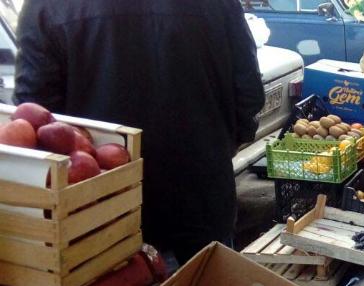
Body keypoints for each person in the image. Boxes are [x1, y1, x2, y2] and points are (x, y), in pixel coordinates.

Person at [14, 0, 265, 264]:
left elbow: (34, 115)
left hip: (102, 213)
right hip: (199, 195)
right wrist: (222, 146)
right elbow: (248, 93)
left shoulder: (47, 6)